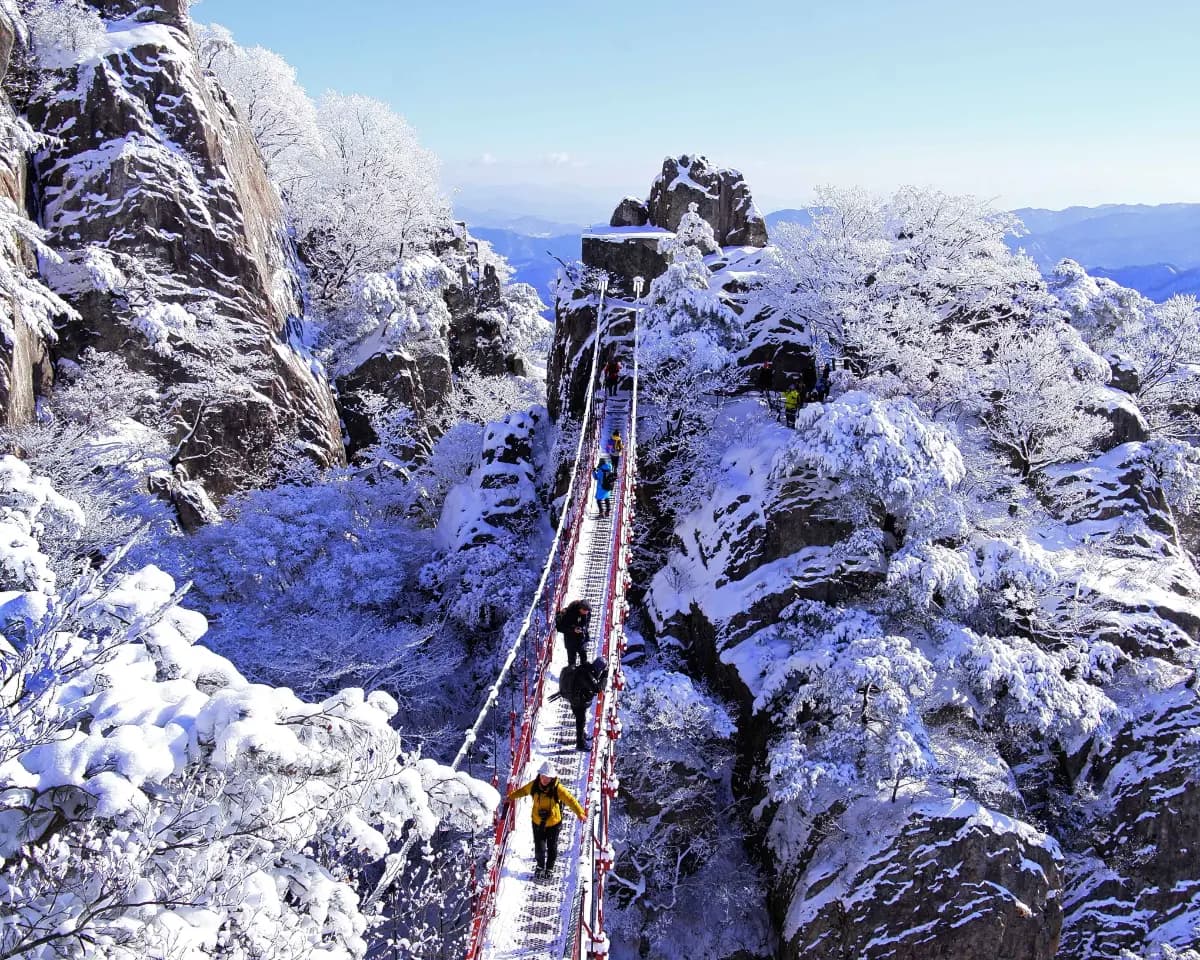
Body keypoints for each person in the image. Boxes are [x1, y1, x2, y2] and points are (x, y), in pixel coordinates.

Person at [506, 760, 586, 880]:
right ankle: (540, 866)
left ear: (552, 778)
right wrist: (511, 797)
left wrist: (580, 813)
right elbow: (523, 791)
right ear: (540, 775)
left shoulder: (557, 788)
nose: (544, 780)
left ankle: (549, 868)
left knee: (552, 847)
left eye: (547, 778)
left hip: (554, 823)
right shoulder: (534, 786)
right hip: (537, 822)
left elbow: (570, 800)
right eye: (543, 776)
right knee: (540, 847)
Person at [568, 657, 608, 751]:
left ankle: (582, 735)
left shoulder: (587, 669)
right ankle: (580, 744)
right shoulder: (587, 675)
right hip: (577, 701)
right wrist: (604, 677)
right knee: (580, 721)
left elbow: (593, 680)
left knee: (581, 720)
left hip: (577, 698)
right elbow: (597, 688)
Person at [556, 598, 591, 667]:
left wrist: (583, 628)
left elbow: (587, 623)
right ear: (580, 609)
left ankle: (584, 672)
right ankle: (572, 673)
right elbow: (561, 628)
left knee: (584, 660)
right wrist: (573, 629)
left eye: (587, 611)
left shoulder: (587, 613)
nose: (587, 613)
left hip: (582, 639)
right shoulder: (568, 613)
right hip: (570, 641)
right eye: (585, 611)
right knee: (572, 663)